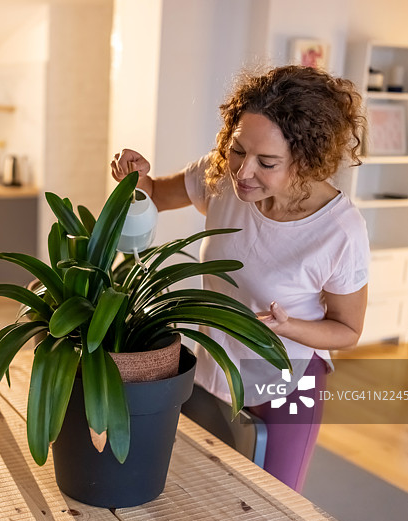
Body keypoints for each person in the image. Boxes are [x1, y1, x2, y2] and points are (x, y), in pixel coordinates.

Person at [110, 65, 369, 492]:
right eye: (237, 150)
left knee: (273, 509)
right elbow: (156, 191)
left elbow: (348, 329)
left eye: (266, 162)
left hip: (285, 385)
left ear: (306, 161)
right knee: (196, 491)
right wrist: (137, 178)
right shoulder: (222, 177)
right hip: (212, 370)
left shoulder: (339, 231)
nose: (243, 172)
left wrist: (290, 328)